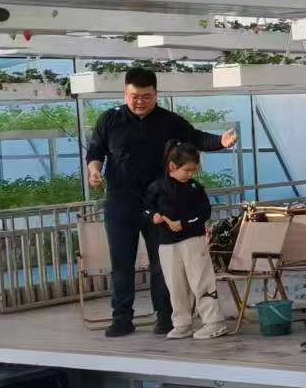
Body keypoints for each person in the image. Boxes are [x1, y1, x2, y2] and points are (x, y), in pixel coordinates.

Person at [85, 68, 236, 337]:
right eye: (134, 96)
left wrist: (221, 142)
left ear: (156, 94)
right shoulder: (110, 119)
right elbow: (95, 151)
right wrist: (94, 171)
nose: (140, 101)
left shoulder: (169, 121)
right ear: (125, 94)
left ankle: (166, 317)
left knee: (162, 262)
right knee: (121, 261)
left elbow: (196, 137)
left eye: (146, 96)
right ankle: (121, 318)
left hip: (160, 202)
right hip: (121, 200)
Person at [145, 141, 228, 341]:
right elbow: (146, 208)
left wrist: (183, 223)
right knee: (175, 284)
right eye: (187, 170)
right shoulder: (156, 187)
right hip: (167, 244)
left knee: (201, 280)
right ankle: (182, 323)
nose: (190, 174)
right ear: (172, 166)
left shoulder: (195, 188)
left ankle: (214, 321)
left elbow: (204, 213)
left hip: (193, 240)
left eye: (193, 170)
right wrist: (153, 216)